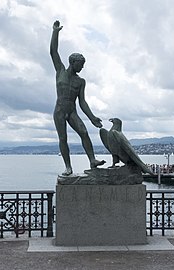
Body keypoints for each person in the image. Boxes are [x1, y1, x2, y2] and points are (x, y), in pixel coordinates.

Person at [50, 20, 105, 176]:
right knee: (63, 138)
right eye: (80, 64)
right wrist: (55, 32)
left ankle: (92, 160)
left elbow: (82, 102)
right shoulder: (60, 71)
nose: (82, 67)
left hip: (72, 111)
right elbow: (53, 52)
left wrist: (92, 117)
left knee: (84, 132)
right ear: (73, 63)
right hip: (60, 110)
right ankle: (68, 167)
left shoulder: (80, 81)